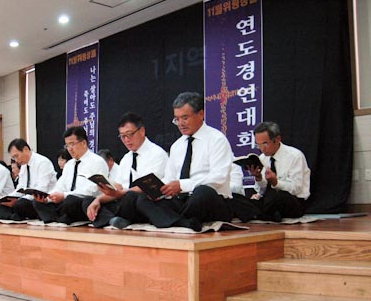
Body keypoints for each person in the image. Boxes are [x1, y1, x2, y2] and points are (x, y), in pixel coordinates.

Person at [125, 92, 233, 231]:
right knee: (142, 199)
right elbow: (170, 178)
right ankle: (183, 222)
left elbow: (218, 178)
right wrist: (158, 190)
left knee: (203, 192)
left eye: (185, 118)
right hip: (183, 201)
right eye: (177, 119)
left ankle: (171, 220)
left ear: (201, 114)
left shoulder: (217, 139)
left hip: (211, 201)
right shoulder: (177, 145)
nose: (180, 124)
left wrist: (183, 185)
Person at [84, 112, 168, 228]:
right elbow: (119, 187)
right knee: (88, 201)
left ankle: (114, 218)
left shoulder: (157, 154)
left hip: (144, 202)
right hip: (124, 201)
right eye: (122, 136)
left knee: (132, 196)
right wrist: (99, 199)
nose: (126, 140)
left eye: (130, 134)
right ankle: (113, 219)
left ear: (142, 131)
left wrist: (119, 193)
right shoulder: (126, 158)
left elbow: (149, 187)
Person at [32, 126, 108, 224]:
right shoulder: (69, 164)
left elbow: (92, 190)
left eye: (72, 144)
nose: (69, 149)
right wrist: (47, 198)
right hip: (66, 201)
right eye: (67, 145)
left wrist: (64, 195)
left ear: (84, 143)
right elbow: (60, 186)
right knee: (37, 202)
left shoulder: (97, 162)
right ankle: (60, 217)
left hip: (85, 202)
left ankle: (58, 217)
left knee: (71, 201)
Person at [247, 121, 311, 221]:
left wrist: (276, 183)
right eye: (258, 145)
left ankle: (258, 214)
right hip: (269, 201)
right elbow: (262, 191)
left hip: (292, 201)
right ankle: (265, 214)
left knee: (279, 196)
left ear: (277, 139)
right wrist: (259, 178)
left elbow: (296, 188)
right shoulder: (262, 158)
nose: (262, 149)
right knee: (238, 198)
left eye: (265, 143)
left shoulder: (295, 156)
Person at [0, 138, 57, 221]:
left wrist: (19, 200)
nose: (16, 160)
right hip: (25, 199)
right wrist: (10, 197)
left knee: (21, 204)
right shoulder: (24, 166)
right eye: (14, 158)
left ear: (26, 149)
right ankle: (12, 216)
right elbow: (20, 187)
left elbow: (41, 190)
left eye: (17, 156)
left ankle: (14, 215)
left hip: (41, 201)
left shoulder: (43, 162)